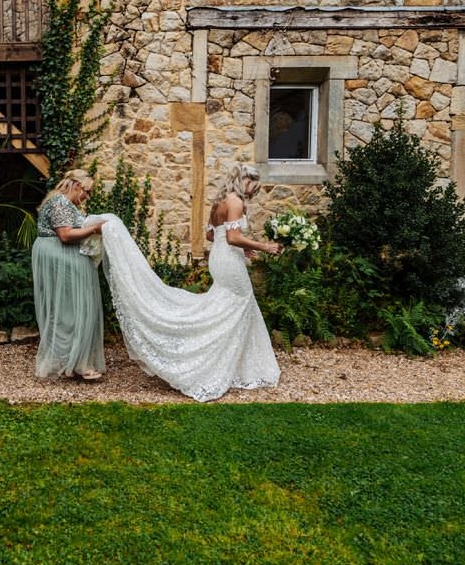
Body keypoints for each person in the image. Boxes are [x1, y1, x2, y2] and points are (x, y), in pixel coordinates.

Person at [92, 163, 281, 402]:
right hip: (229, 263)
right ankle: (210, 361)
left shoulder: (220, 200)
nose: (255, 191)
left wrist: (243, 250)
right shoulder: (236, 202)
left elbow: (213, 236)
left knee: (228, 306)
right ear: (246, 181)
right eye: (255, 186)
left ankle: (234, 363)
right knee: (237, 306)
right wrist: (265, 246)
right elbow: (233, 237)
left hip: (220, 259)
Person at [32, 169, 106, 381]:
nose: (87, 196)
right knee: (71, 310)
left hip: (64, 257)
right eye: (87, 191)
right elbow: (65, 235)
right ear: (76, 186)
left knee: (73, 309)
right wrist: (95, 228)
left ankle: (75, 361)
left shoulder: (65, 203)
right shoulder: (60, 202)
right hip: (60, 256)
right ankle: (75, 362)